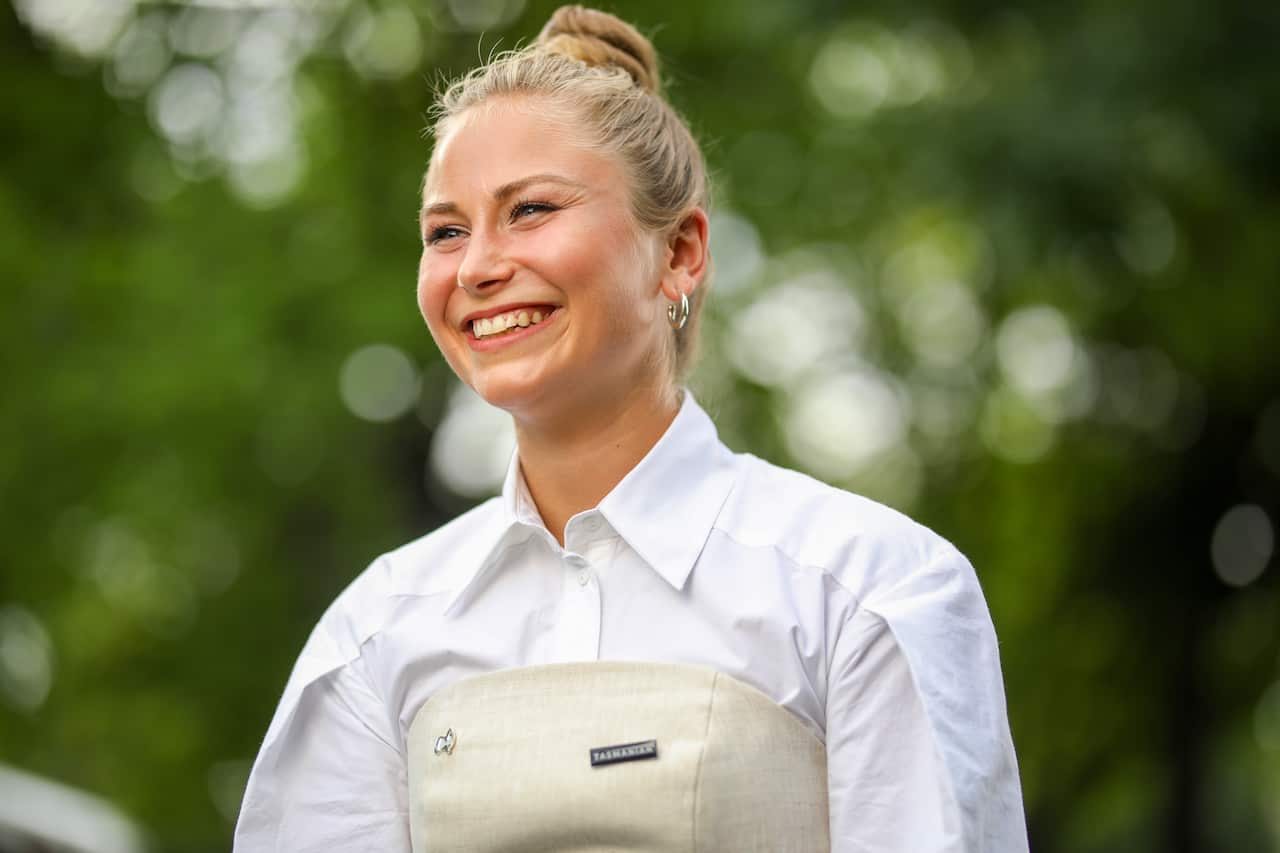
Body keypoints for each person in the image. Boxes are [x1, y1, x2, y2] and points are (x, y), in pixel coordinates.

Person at [234, 5, 1028, 851]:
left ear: (680, 252)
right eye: (446, 230)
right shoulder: (373, 633)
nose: (477, 267)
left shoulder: (864, 589)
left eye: (531, 209)